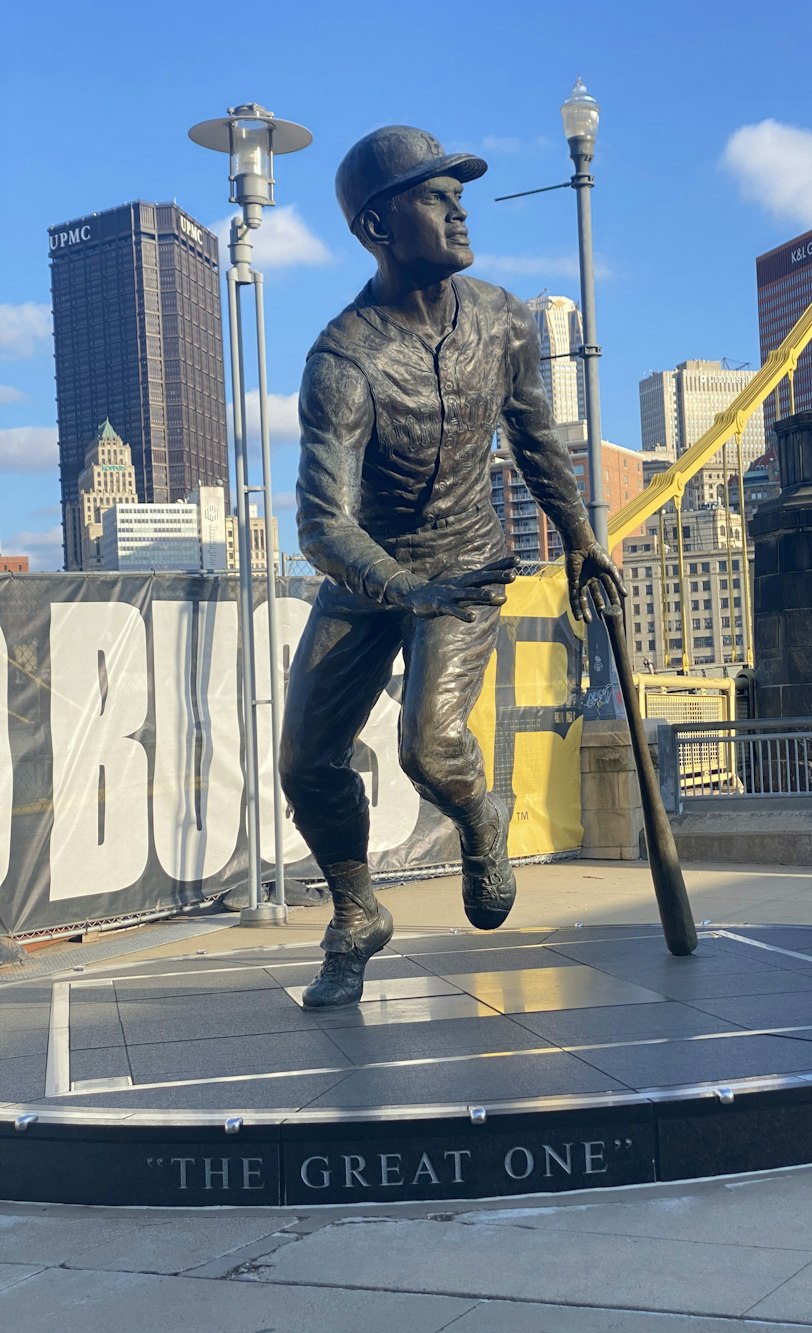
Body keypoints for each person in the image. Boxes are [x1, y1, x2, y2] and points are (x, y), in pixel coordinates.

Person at [279, 125, 624, 1007]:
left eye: (457, 190)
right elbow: (323, 522)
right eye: (435, 195)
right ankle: (357, 914)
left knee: (429, 747)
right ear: (378, 227)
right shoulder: (343, 358)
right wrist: (400, 587)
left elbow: (539, 440)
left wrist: (582, 541)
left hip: (465, 569)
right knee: (306, 759)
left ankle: (481, 814)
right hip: (372, 577)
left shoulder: (505, 321)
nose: (459, 206)